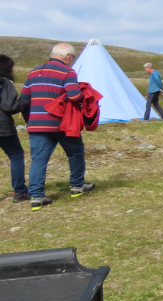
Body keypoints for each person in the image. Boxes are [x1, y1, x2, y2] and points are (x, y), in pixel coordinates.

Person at [20, 43, 96, 209]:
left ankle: (36, 197)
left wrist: (29, 120)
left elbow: (24, 101)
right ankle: (77, 186)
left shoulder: (33, 72)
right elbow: (74, 95)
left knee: (38, 160)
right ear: (68, 57)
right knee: (75, 152)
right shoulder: (68, 72)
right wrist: (85, 94)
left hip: (36, 125)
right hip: (61, 123)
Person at [0, 55, 29, 203]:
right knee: (16, 155)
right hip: (2, 128)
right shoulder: (5, 83)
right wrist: (26, 102)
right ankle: (20, 192)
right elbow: (9, 106)